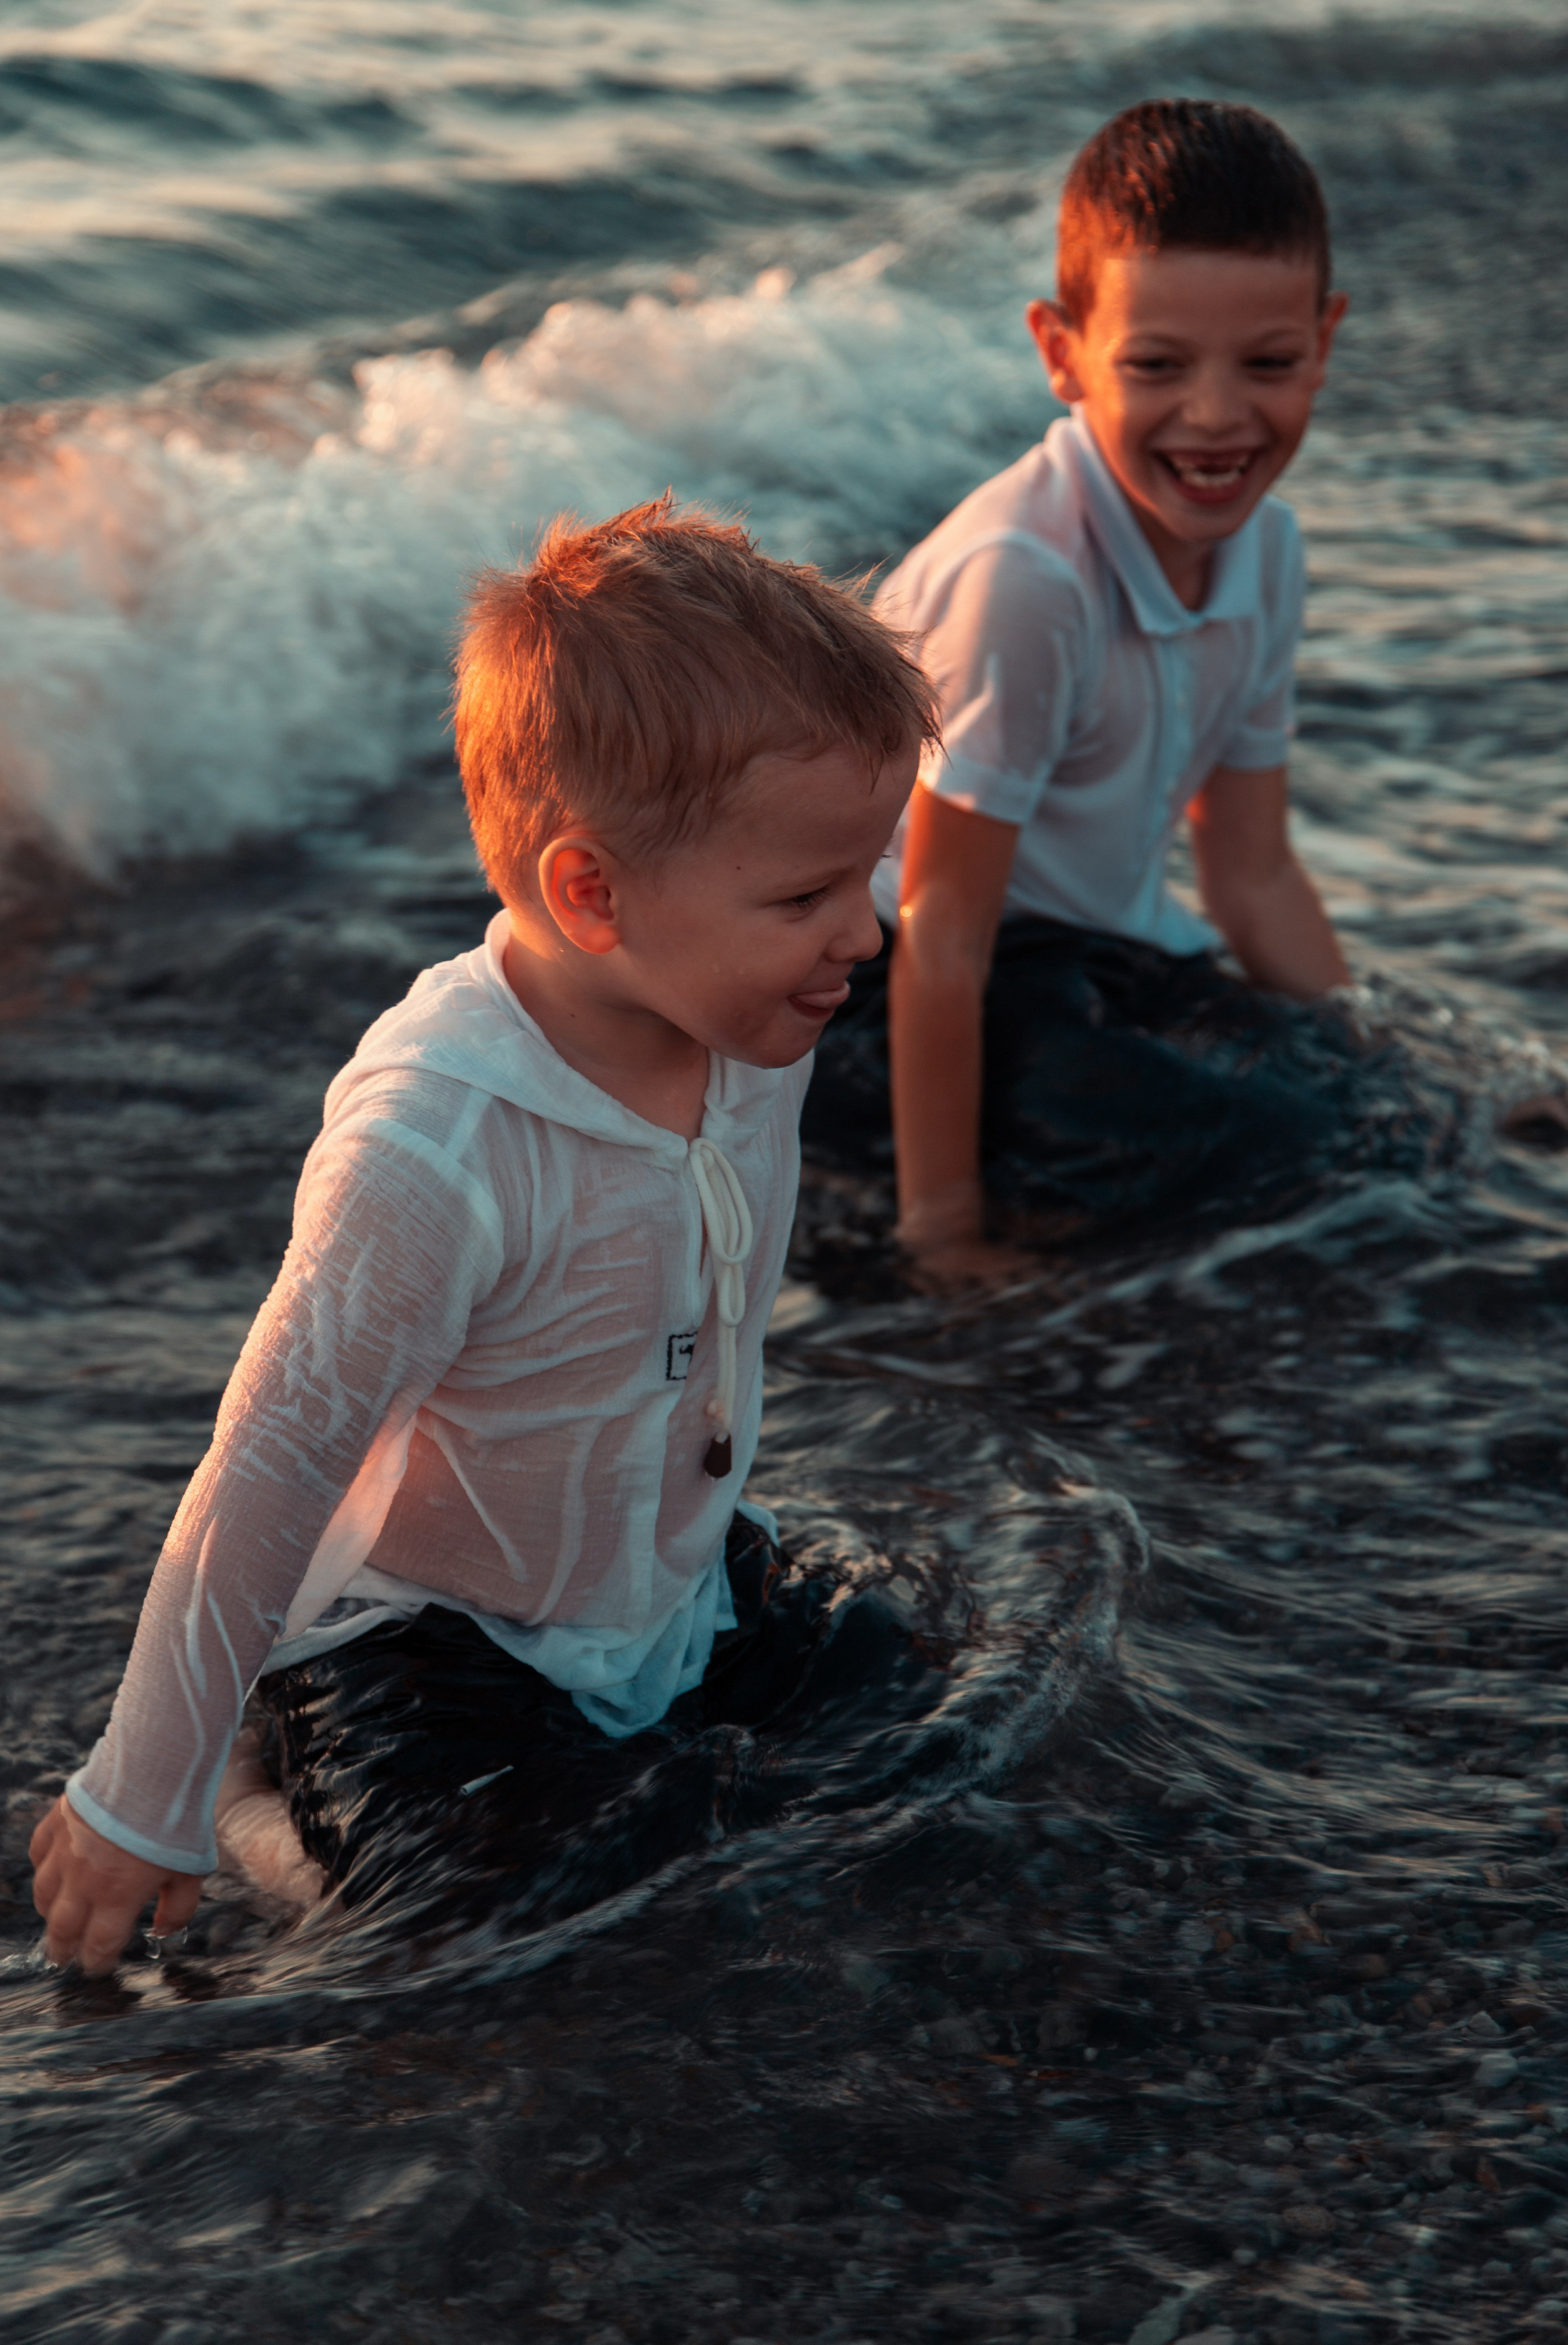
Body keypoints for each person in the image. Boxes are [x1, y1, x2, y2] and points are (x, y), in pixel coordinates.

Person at [29, 497, 937, 1971]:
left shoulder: (747, 1014)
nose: (865, 930)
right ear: (592, 893)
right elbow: (271, 1463)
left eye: (866, 872)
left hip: (670, 1593)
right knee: (496, 1935)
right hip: (431, 1649)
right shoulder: (437, 1150)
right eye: (806, 894)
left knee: (915, 1725)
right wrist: (142, 1797)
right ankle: (267, 1804)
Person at [803, 98, 1359, 1283]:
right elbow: (944, 937)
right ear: (1062, 352)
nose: (1217, 416)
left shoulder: (1267, 552)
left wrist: (1373, 1055)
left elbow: (1253, 875)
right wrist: (943, 1231)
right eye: (1157, 365)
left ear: (1325, 341)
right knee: (1256, 1145)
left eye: (1268, 363)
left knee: (1362, 1103)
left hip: (1085, 960)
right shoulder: (1026, 580)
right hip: (877, 984)